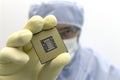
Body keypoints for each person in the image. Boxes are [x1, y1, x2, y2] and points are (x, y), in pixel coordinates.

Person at [28, 0, 120, 80]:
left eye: (67, 31)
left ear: (78, 33)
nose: (58, 39)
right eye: (49, 31)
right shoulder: (24, 65)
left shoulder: (98, 68)